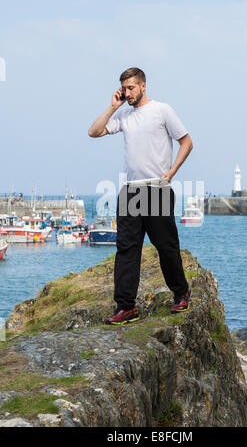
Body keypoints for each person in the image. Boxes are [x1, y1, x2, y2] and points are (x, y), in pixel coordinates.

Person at [88, 67, 193, 325]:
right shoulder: (123, 115)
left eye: (131, 88)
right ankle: (127, 307)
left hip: (157, 188)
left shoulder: (162, 110)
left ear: (143, 86)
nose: (127, 92)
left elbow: (187, 141)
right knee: (126, 251)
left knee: (166, 247)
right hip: (131, 190)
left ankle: (181, 292)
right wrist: (113, 106)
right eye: (124, 88)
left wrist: (172, 171)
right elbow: (94, 131)